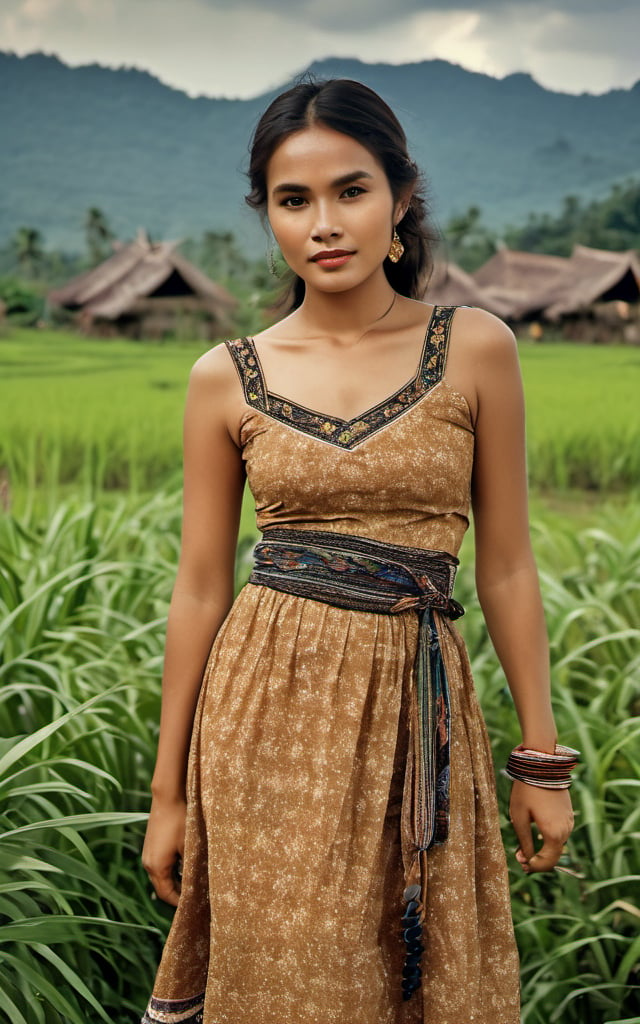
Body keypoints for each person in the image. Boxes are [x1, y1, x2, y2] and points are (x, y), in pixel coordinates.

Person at [140, 78, 576, 1024]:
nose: (325, 224)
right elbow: (201, 589)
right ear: (269, 217)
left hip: (419, 719)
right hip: (266, 725)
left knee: (420, 979)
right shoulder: (226, 378)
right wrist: (167, 794)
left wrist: (538, 761)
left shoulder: (476, 349)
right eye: (294, 201)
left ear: (401, 200)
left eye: (352, 190)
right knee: (296, 985)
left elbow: (504, 564)